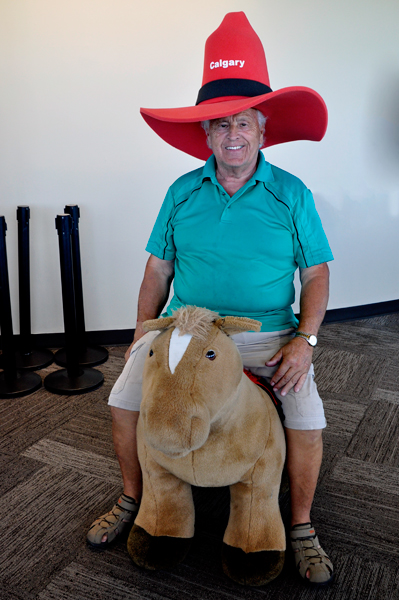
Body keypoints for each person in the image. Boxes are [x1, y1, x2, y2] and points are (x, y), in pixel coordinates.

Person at [87, 12, 334, 587]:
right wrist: (142, 332)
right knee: (123, 400)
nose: (233, 136)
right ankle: (132, 498)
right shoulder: (180, 192)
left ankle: (300, 525)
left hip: (267, 334)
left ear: (262, 129)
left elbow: (317, 274)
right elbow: (157, 269)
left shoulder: (291, 194)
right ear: (206, 135)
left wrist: (307, 339)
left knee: (308, 417)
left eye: (243, 123)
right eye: (220, 126)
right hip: (185, 331)